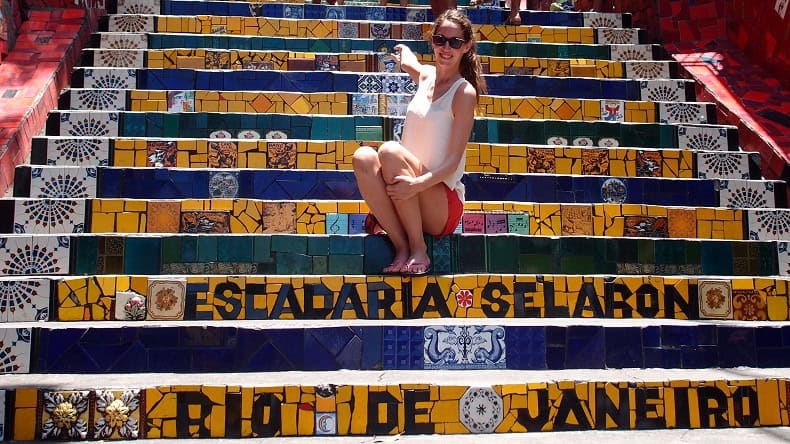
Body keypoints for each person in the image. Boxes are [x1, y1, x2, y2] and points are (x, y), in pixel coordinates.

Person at [352, 9, 487, 275]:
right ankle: (402, 248)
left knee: (390, 151)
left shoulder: (464, 92)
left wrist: (416, 185)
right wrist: (404, 54)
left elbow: (452, 162)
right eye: (440, 40)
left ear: (467, 46)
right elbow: (411, 64)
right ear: (433, 41)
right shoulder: (426, 77)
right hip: (407, 191)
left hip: (441, 202)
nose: (446, 48)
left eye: (454, 42)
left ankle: (419, 249)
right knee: (363, 157)